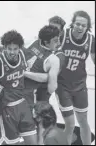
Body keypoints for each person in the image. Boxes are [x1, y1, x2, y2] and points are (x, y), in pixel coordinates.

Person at [0, 30, 37, 145]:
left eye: (15, 49)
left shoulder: (24, 54)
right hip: (7, 108)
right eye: (9, 49)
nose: (12, 52)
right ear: (4, 47)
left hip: (22, 104)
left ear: (20, 48)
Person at [56, 10, 95, 145]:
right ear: (72, 24)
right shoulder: (63, 35)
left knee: (83, 121)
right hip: (63, 86)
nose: (80, 27)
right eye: (77, 24)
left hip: (80, 86)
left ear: (87, 27)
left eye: (83, 25)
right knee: (70, 124)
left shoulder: (90, 39)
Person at [23, 25, 60, 108]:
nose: (59, 43)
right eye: (55, 41)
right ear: (46, 42)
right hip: (33, 98)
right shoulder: (53, 60)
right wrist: (47, 77)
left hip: (16, 91)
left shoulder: (31, 41)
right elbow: (52, 88)